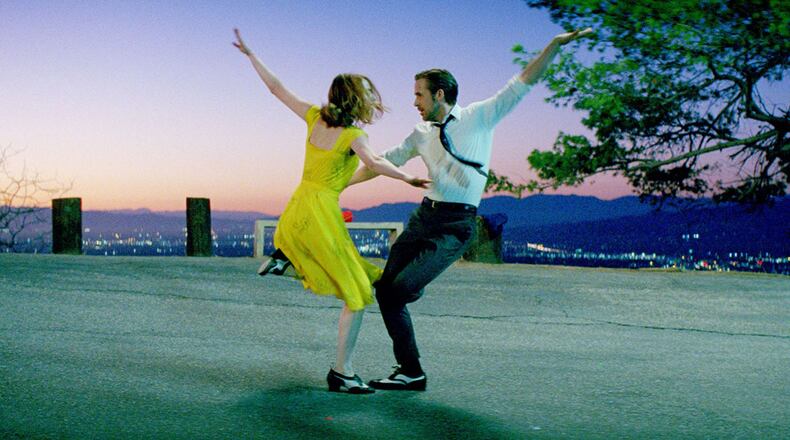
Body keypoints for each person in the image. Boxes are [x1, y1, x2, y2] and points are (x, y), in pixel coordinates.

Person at [346, 28, 593, 390]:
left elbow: (522, 83)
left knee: (399, 290)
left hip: (456, 224)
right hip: (423, 217)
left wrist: (553, 46)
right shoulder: (421, 133)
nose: (414, 102)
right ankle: (411, 370)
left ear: (439, 94)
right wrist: (339, 184)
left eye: (419, 94)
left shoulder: (479, 117)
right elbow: (384, 161)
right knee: (386, 291)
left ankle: (412, 305)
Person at [233, 29, 430, 394]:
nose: (372, 98)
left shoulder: (314, 118)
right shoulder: (354, 136)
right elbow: (373, 162)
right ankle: (342, 372)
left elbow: (276, 88)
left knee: (357, 279)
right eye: (367, 92)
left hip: (298, 209)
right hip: (322, 213)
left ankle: (288, 258)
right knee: (357, 293)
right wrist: (406, 177)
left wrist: (251, 55)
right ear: (355, 98)